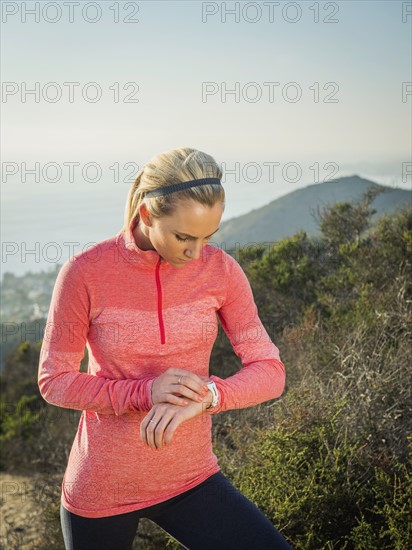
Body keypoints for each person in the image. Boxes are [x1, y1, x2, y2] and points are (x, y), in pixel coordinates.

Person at [38, 147, 292, 549]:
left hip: (192, 477)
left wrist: (209, 396)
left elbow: (270, 371)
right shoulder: (85, 272)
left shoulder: (221, 271)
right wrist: (144, 391)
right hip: (104, 486)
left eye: (208, 236)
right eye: (183, 237)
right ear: (146, 216)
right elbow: (54, 381)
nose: (196, 252)